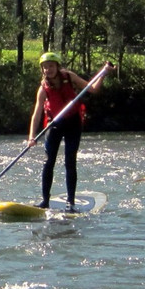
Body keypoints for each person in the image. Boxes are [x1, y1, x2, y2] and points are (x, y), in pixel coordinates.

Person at [25, 51, 94, 213]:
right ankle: (45, 201)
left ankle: (71, 203)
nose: (47, 70)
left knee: (70, 161)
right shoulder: (43, 89)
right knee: (48, 162)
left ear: (57, 66)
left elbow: (93, 89)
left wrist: (104, 73)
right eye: (44, 67)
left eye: (50, 66)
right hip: (53, 124)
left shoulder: (69, 77)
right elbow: (36, 114)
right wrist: (31, 137)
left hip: (72, 123)